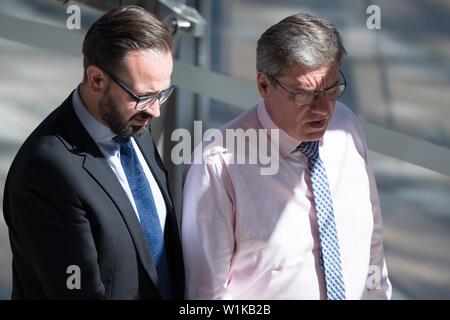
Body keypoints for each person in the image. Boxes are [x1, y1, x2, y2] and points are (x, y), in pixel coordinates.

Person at [182, 13, 391, 299]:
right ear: (264, 85)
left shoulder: (346, 126)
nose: (323, 109)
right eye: (305, 94)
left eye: (331, 90)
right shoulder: (219, 163)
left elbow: (372, 241)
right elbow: (207, 294)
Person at [2, 6, 184, 299]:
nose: (156, 110)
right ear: (97, 79)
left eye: (163, 93)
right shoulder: (47, 171)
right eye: (144, 96)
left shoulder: (133, 123)